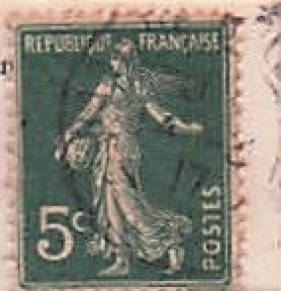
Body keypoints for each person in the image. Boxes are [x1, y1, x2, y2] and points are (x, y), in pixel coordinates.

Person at [55, 37, 203, 278]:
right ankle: (122, 258)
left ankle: (171, 239)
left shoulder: (125, 85)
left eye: (117, 59)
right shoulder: (125, 84)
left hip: (122, 150)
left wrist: (184, 128)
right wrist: (69, 135)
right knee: (111, 204)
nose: (113, 64)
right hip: (113, 148)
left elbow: (157, 115)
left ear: (125, 60)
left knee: (129, 206)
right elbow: (90, 114)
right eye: (113, 59)